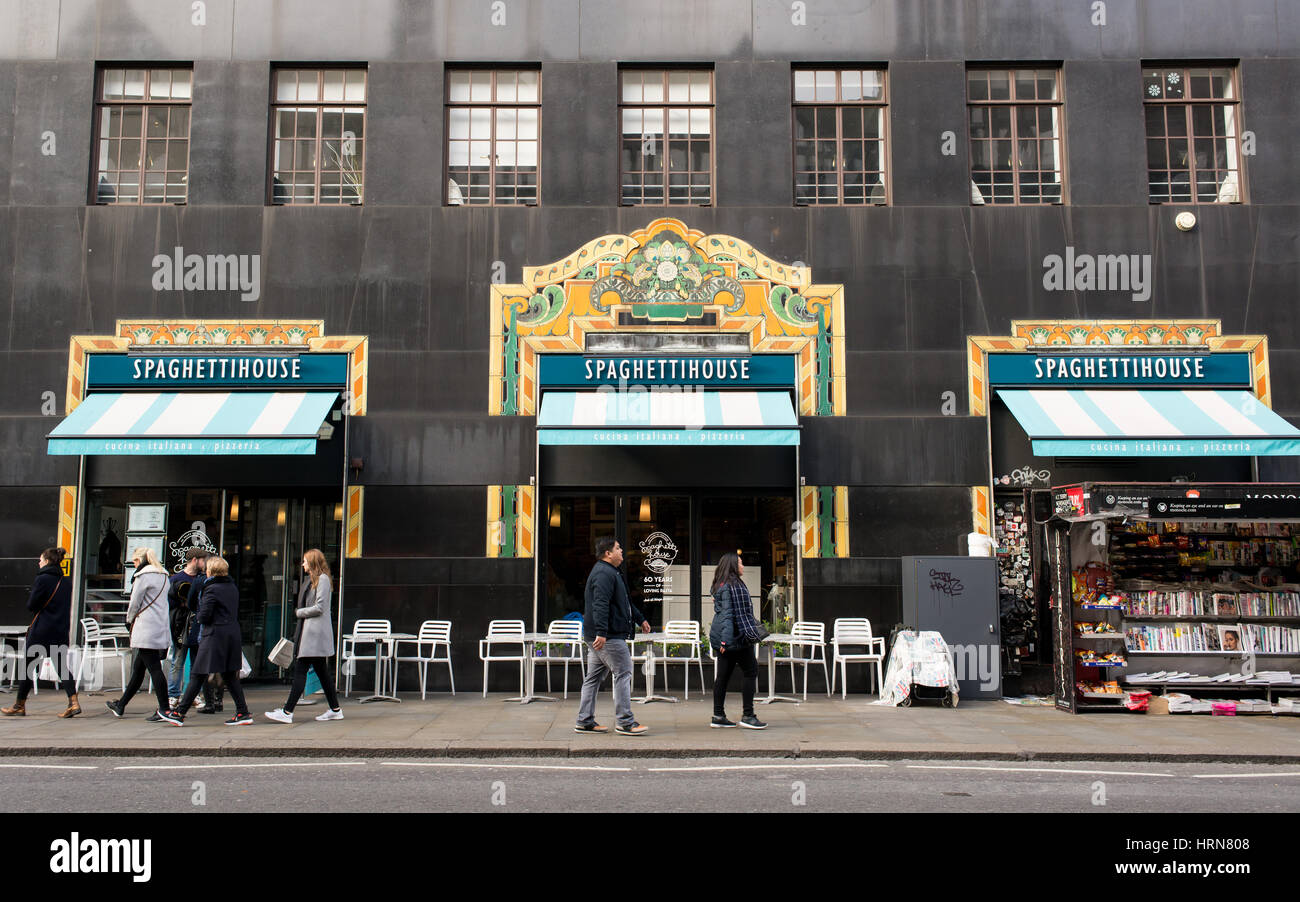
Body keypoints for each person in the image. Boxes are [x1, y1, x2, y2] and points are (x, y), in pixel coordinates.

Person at [161, 557, 251, 726]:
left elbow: (203, 615)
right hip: (231, 633)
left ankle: (179, 713)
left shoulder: (211, 589)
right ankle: (243, 712)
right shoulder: (231, 586)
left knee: (198, 674)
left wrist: (200, 611)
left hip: (214, 635)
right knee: (230, 676)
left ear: (211, 571)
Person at [574, 537, 651, 736]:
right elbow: (600, 603)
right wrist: (602, 632)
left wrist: (640, 619)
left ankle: (584, 721)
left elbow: (624, 602)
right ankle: (625, 722)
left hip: (600, 635)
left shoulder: (610, 572)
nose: (622, 550)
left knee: (593, 678)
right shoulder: (603, 573)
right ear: (608, 553)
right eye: (618, 548)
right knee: (624, 672)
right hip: (608, 636)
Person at [265, 549, 344, 724]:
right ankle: (335, 709)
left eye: (305, 561)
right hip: (311, 633)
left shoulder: (322, 580)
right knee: (322, 674)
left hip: (314, 634)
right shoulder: (313, 580)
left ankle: (287, 712)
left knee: (300, 671)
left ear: (313, 562)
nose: (302, 564)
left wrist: (300, 612)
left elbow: (320, 607)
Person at [2, 547, 79, 718]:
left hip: (42, 630)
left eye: (41, 560)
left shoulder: (42, 579)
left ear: (47, 561)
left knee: (28, 667)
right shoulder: (66, 581)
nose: (39, 562)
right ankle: (73, 702)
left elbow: (32, 605)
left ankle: (19, 705)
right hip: (59, 630)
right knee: (62, 667)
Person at [105, 548, 172, 721]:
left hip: (145, 628)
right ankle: (120, 705)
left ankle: (165, 709)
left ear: (140, 560)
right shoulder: (164, 575)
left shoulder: (142, 576)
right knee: (138, 669)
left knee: (154, 669)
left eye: (134, 561)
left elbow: (134, 602)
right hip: (159, 626)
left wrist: (129, 620)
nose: (134, 565)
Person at [708, 552, 767, 730]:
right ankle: (748, 715)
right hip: (735, 638)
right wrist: (725, 643)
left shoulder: (723, 584)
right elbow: (728, 615)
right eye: (740, 563)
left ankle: (718, 715)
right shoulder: (732, 586)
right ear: (733, 566)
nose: (743, 566)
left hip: (731, 637)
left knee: (723, 677)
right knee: (750, 671)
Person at [167, 548, 215, 710]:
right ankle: (173, 695)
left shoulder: (204, 578)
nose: (205, 563)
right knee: (178, 660)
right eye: (203, 560)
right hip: (181, 625)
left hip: (197, 625)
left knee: (196, 662)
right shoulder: (177, 578)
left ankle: (194, 694)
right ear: (195, 560)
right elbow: (170, 602)